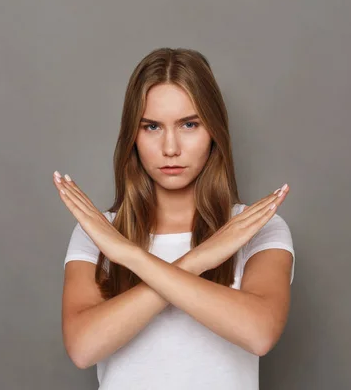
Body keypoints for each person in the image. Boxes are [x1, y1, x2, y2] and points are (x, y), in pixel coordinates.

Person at [53, 47, 295, 389]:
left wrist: (131, 257)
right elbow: (82, 347)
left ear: (214, 131)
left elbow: (259, 334)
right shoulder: (99, 233)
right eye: (152, 126)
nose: (170, 148)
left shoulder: (256, 227)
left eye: (189, 124)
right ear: (132, 136)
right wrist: (199, 259)